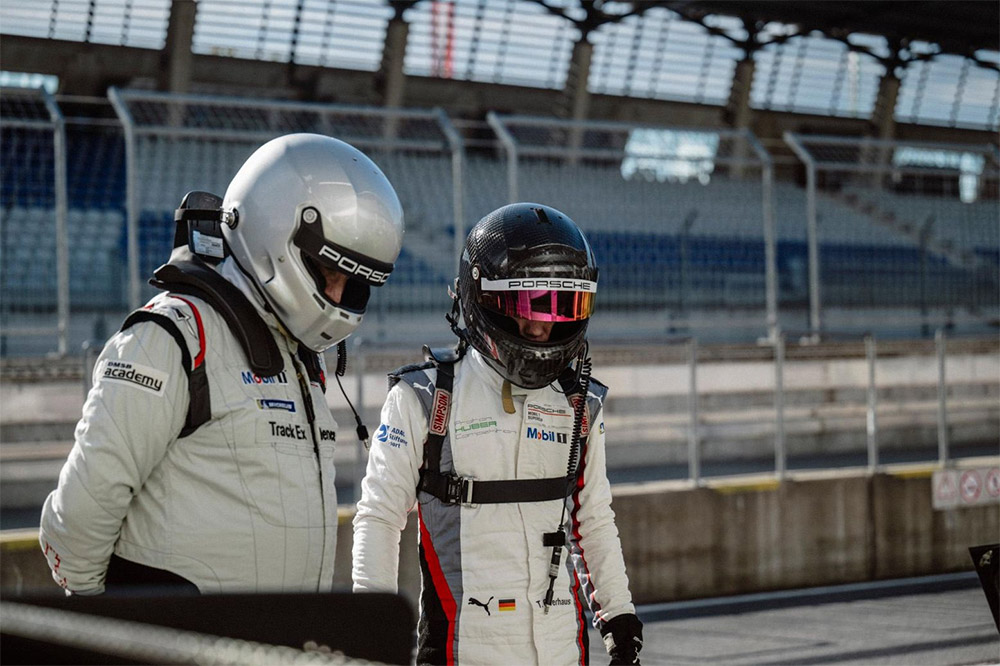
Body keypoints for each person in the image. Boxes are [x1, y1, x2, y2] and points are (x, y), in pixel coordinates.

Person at [39, 133, 405, 595]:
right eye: (327, 272)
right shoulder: (173, 336)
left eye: (351, 283)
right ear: (273, 229)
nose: (336, 297)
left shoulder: (297, 356)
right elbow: (75, 527)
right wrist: (121, 632)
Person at [352, 203, 642, 665]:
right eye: (532, 304)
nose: (546, 325)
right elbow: (379, 517)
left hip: (563, 652)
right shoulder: (424, 398)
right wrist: (371, 639)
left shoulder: (580, 403)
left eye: (563, 305)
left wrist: (619, 615)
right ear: (484, 298)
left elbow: (594, 518)